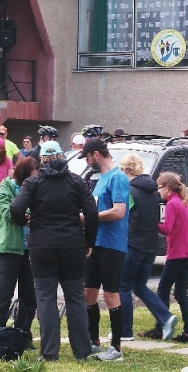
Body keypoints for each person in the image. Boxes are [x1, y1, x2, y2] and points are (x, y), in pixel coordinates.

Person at [11, 141, 97, 361]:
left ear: (42, 160)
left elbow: (16, 208)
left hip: (42, 245)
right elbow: (91, 212)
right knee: (75, 297)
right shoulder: (76, 181)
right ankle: (82, 350)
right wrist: (89, 241)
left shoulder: (33, 182)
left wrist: (26, 221)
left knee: (46, 298)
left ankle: (49, 352)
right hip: (72, 244)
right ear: (62, 157)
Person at [81, 137, 130, 361]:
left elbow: (119, 211)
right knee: (88, 293)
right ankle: (94, 341)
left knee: (111, 294)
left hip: (112, 244)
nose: (87, 162)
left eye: (87, 157)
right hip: (96, 243)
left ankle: (116, 348)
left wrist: (89, 217)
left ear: (96, 154)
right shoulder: (100, 179)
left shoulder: (118, 177)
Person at [117, 154, 174, 342]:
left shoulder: (130, 191)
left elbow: (123, 215)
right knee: (139, 285)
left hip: (134, 243)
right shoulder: (153, 191)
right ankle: (165, 316)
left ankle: (125, 331)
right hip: (151, 244)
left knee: (124, 286)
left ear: (125, 170)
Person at [0, 156, 38, 343]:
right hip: (9, 249)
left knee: (29, 297)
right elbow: (7, 212)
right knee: (4, 295)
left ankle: (22, 336)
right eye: (31, 177)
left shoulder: (35, 188)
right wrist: (28, 216)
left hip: (29, 250)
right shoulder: (6, 187)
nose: (33, 180)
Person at [154, 171, 188, 342]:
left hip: (177, 253)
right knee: (181, 293)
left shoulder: (172, 204)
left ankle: (161, 327)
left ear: (167, 188)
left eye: (159, 187)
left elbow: (167, 229)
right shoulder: (184, 202)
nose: (158, 190)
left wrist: (152, 223)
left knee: (163, 290)